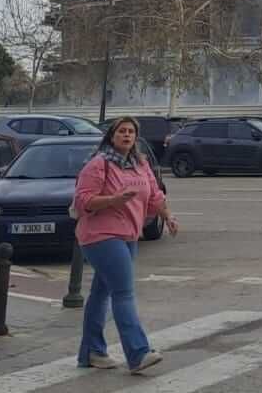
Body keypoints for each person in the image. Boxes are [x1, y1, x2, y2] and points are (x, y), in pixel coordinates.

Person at [72, 117, 179, 373]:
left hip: (129, 235)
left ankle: (92, 352)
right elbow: (82, 201)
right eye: (122, 131)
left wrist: (168, 216)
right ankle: (138, 353)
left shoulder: (140, 164)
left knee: (101, 293)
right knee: (123, 292)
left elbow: (154, 195)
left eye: (131, 132)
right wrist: (113, 200)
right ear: (112, 136)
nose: (127, 135)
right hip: (101, 235)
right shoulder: (99, 164)